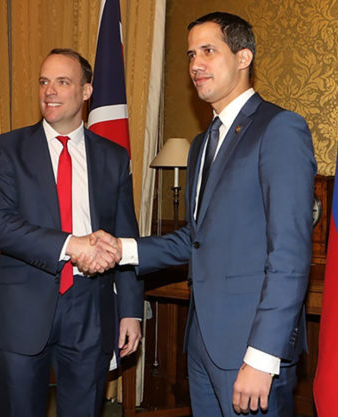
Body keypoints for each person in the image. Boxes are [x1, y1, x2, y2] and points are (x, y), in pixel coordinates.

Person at [96, 11, 317, 417]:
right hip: (202, 344)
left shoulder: (280, 129)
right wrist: (121, 249)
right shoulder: (201, 144)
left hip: (251, 350)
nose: (196, 64)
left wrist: (263, 356)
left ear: (243, 57)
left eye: (209, 51)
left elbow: (289, 254)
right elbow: (195, 239)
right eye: (191, 54)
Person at [0, 48, 143, 417]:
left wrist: (131, 310)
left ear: (86, 91)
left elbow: (125, 237)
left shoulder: (113, 157)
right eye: (43, 81)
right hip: (24, 303)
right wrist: (70, 244)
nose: (49, 91)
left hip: (91, 307)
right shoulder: (7, 149)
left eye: (62, 82)